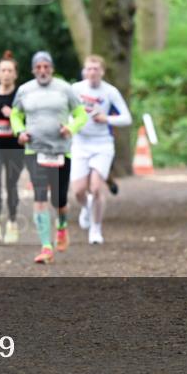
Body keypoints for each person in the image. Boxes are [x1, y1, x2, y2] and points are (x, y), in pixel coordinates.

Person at [9, 51, 87, 263]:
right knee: (40, 198)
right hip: (35, 150)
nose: (42, 71)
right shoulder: (25, 90)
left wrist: (71, 127)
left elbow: (81, 114)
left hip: (62, 150)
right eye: (38, 67)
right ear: (33, 69)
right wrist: (20, 132)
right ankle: (46, 246)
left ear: (52, 68)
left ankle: (61, 225)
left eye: (46, 67)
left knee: (59, 200)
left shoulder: (65, 89)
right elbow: (15, 114)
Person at [71, 55, 132, 244]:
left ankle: (96, 229)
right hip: (80, 143)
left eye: (96, 69)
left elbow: (127, 118)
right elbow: (65, 112)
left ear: (102, 72)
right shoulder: (75, 89)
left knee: (96, 187)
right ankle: (86, 207)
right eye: (88, 69)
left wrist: (107, 119)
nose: (92, 72)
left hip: (103, 144)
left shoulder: (110, 92)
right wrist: (70, 125)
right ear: (84, 71)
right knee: (79, 191)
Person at [0, 51, 24, 244]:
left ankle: (13, 222)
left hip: (15, 147)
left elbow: (30, 117)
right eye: (3, 70)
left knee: (11, 184)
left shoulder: (21, 94)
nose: (6, 74)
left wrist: (14, 114)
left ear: (15, 74)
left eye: (10, 70)